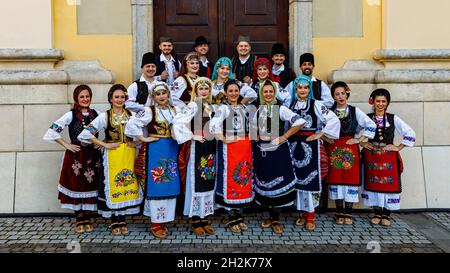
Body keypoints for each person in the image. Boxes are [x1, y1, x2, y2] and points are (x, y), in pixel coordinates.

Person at [78, 84, 143, 235]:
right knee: (114, 184)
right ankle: (114, 219)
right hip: (112, 155)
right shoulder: (104, 116)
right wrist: (103, 144)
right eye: (117, 97)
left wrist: (137, 142)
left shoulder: (131, 116)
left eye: (122, 97)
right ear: (111, 99)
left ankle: (122, 218)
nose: (120, 100)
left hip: (128, 154)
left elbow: (144, 132)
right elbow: (86, 134)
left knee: (127, 183)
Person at [124, 82, 181, 239]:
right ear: (153, 97)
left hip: (171, 150)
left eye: (164, 93)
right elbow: (131, 124)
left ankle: (164, 220)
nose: (162, 96)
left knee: (169, 183)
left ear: (168, 94)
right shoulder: (149, 111)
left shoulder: (175, 110)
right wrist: (143, 138)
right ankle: (156, 223)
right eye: (158, 94)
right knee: (157, 184)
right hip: (156, 150)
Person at [43, 85, 102, 234]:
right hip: (76, 155)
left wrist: (102, 144)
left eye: (87, 96)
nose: (85, 99)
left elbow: (110, 128)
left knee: (91, 184)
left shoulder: (97, 114)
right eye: (82, 96)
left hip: (92, 156)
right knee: (77, 185)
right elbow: (52, 131)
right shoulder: (71, 115)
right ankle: (79, 218)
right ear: (76, 98)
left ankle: (88, 217)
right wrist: (66, 145)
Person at [252, 80, 305, 235]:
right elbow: (254, 129)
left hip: (278, 151)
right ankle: (270, 216)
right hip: (263, 151)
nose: (268, 94)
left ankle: (276, 218)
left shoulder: (281, 109)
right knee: (266, 181)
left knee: (277, 181)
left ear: (275, 93)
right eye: (265, 92)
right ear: (262, 94)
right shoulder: (258, 110)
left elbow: (300, 121)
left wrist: (285, 136)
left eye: (270, 91)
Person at [287, 75, 340, 231]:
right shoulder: (290, 105)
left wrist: (320, 133)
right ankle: (302, 214)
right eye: (299, 88)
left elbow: (333, 119)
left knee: (311, 180)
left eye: (305, 88)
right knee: (298, 180)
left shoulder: (316, 104)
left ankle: (310, 215)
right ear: (295, 90)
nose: (302, 90)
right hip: (293, 145)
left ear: (309, 90)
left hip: (311, 145)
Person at [360, 88, 416, 226]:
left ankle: (387, 214)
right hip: (372, 157)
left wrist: (397, 147)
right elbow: (354, 133)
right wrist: (363, 142)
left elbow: (409, 132)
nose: (380, 104)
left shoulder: (393, 118)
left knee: (388, 184)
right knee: (373, 182)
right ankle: (377, 212)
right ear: (373, 102)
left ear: (387, 103)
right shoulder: (366, 117)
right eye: (378, 101)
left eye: (383, 101)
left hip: (388, 158)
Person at [326, 81, 376, 225]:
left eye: (342, 93)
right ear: (333, 97)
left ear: (347, 94)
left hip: (350, 147)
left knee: (349, 179)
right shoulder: (329, 112)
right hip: (334, 147)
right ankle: (339, 211)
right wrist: (325, 137)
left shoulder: (355, 111)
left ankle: (348, 212)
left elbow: (371, 124)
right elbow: (319, 127)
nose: (340, 96)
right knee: (336, 179)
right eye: (337, 94)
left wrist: (359, 139)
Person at [173, 77, 218, 236]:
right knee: (196, 181)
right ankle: (195, 219)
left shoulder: (210, 106)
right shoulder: (193, 105)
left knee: (207, 179)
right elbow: (178, 122)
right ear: (196, 91)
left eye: (207, 89)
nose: (204, 91)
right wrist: (192, 136)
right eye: (201, 89)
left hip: (210, 147)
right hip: (197, 147)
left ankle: (204, 217)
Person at [210, 79, 255, 233]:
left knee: (243, 176)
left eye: (236, 90)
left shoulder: (244, 107)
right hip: (229, 148)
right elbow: (213, 124)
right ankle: (230, 215)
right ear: (226, 93)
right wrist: (222, 138)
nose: (234, 93)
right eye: (231, 91)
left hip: (244, 147)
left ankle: (239, 213)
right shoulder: (223, 108)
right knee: (230, 176)